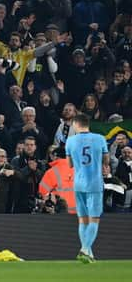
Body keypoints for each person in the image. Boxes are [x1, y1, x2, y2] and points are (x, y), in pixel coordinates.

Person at [66, 112, 109, 263]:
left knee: (83, 220)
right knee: (94, 219)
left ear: (76, 124)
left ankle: (89, 254)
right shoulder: (100, 139)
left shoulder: (70, 141)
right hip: (95, 183)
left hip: (78, 183)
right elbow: (106, 160)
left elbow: (70, 164)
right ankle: (84, 249)